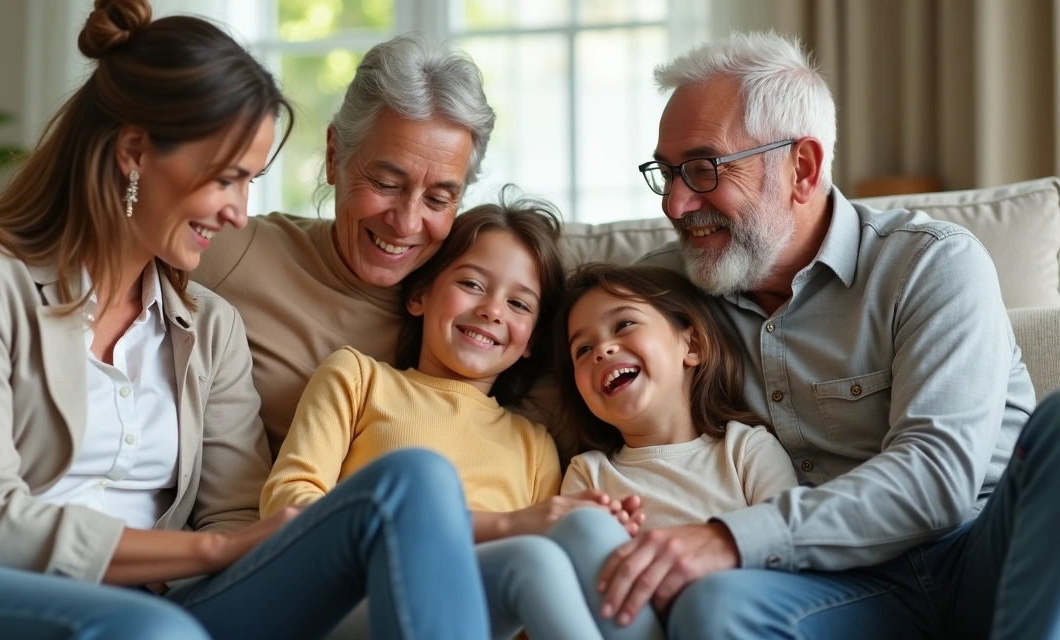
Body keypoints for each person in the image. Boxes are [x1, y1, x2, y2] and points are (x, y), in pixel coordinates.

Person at [0, 2, 490, 638]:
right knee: (154, 632)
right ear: (133, 152)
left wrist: (239, 552)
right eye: (226, 179)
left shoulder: (210, 328)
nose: (239, 211)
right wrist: (204, 556)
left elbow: (235, 518)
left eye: (250, 183)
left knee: (415, 479)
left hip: (152, 600)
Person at [0, 33, 499, 469]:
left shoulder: (474, 303)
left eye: (440, 197)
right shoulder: (231, 247)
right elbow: (40, 261)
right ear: (334, 155)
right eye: (385, 183)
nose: (407, 221)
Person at [594, 30, 1055, 640]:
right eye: (668, 172)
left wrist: (730, 539)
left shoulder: (931, 265)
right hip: (836, 585)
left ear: (802, 168)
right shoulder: (656, 296)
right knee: (714, 610)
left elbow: (937, 479)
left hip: (985, 552)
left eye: (703, 170)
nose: (676, 205)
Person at [262, 193, 641, 640]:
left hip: (476, 622)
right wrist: (506, 526)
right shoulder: (360, 378)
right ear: (421, 294)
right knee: (531, 559)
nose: (492, 310)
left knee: (553, 550)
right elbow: (286, 502)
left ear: (531, 342)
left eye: (519, 304)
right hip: (353, 600)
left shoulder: (534, 444)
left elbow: (530, 603)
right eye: (472, 284)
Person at [540, 263, 798, 639]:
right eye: (583, 348)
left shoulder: (746, 449)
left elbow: (786, 552)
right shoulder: (588, 474)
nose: (602, 350)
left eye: (624, 324)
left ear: (691, 345)